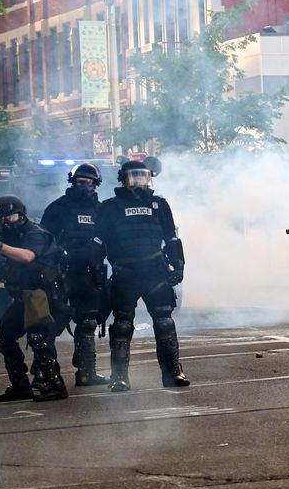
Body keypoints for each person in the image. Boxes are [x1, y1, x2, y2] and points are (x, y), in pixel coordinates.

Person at [95, 160, 189, 391]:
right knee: (122, 325)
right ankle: (119, 377)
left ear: (149, 178)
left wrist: (178, 266)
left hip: (154, 270)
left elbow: (172, 239)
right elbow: (98, 242)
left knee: (165, 321)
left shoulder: (160, 204)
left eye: (142, 177)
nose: (138, 182)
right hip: (125, 271)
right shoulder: (110, 207)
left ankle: (172, 373)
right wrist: (96, 271)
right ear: (123, 179)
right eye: (132, 177)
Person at [0, 196, 69, 402]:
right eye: (2, 217)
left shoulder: (35, 233)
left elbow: (27, 257)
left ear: (21, 214)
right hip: (23, 295)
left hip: (43, 294)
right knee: (5, 337)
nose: (6, 220)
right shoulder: (6, 234)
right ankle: (20, 386)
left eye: (9, 216)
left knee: (39, 338)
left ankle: (54, 384)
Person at [41, 163, 110, 387]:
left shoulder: (102, 210)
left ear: (96, 184)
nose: (84, 186)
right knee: (54, 321)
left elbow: (112, 240)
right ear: (72, 182)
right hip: (62, 275)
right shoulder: (57, 208)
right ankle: (48, 374)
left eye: (88, 182)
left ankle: (86, 372)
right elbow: (42, 241)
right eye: (80, 182)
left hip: (90, 275)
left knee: (88, 322)